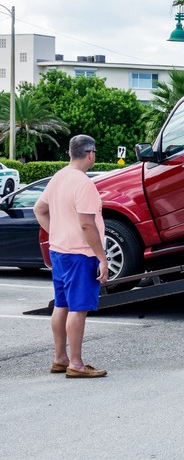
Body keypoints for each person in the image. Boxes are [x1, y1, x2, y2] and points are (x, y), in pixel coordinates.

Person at [34, 134, 108, 379]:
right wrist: (102, 258)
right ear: (91, 154)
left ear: (70, 153)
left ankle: (59, 358)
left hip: (59, 252)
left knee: (62, 304)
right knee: (78, 308)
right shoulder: (83, 183)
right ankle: (75, 364)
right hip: (80, 254)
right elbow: (87, 225)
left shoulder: (58, 177)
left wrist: (56, 230)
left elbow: (39, 209)